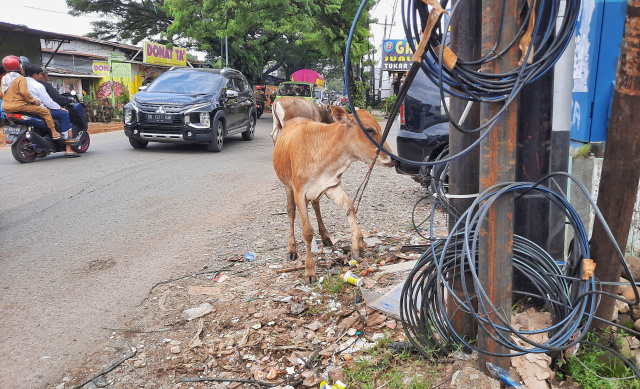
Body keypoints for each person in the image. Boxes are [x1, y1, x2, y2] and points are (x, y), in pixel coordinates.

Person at [0, 56, 62, 142]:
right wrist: (34, 102)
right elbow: (25, 93)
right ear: (18, 67)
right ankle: (54, 132)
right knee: (46, 112)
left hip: (6, 107)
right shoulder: (20, 78)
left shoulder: (4, 78)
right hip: (19, 106)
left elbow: (1, 94)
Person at [24, 65, 80, 157]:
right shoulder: (38, 85)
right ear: (35, 75)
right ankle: (69, 149)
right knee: (64, 114)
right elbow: (49, 102)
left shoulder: (22, 82)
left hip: (26, 109)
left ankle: (44, 148)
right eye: (40, 74)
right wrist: (59, 108)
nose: (42, 76)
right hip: (40, 110)